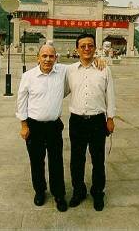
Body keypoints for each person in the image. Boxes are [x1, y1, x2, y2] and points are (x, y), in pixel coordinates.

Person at [66, 33, 115, 211]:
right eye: (83, 46)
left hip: (97, 121)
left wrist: (110, 118)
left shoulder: (104, 69)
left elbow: (110, 95)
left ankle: (97, 192)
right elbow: (59, 90)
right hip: (77, 121)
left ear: (95, 48)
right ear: (77, 49)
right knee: (76, 159)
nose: (87, 49)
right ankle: (78, 191)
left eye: (90, 45)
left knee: (98, 159)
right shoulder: (69, 70)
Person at [16, 44, 68, 212]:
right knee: (37, 162)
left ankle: (59, 194)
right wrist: (24, 125)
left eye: (51, 56)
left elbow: (81, 64)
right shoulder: (28, 76)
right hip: (34, 127)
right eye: (44, 56)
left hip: (54, 126)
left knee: (56, 161)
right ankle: (40, 191)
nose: (47, 59)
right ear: (37, 57)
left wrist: (98, 60)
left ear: (56, 58)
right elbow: (21, 101)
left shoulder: (62, 73)